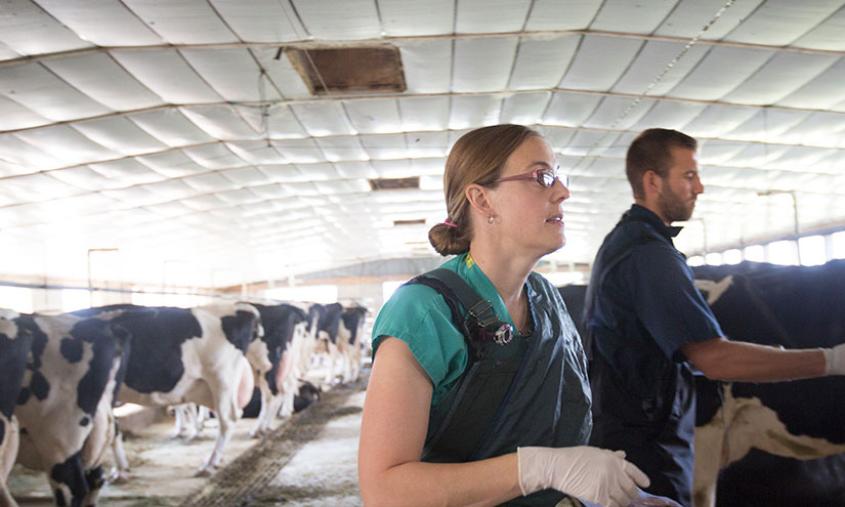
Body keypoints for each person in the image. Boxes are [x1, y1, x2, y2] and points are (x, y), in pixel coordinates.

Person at [358, 124, 659, 507]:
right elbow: (384, 492)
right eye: (541, 177)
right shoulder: (424, 311)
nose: (563, 191)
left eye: (558, 176)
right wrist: (540, 469)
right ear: (482, 201)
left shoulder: (547, 301)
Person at [585, 128, 845, 507]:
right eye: (689, 176)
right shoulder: (648, 256)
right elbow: (714, 359)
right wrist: (832, 359)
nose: (700, 187)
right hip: (647, 453)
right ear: (653, 181)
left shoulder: (629, 242)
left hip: (636, 439)